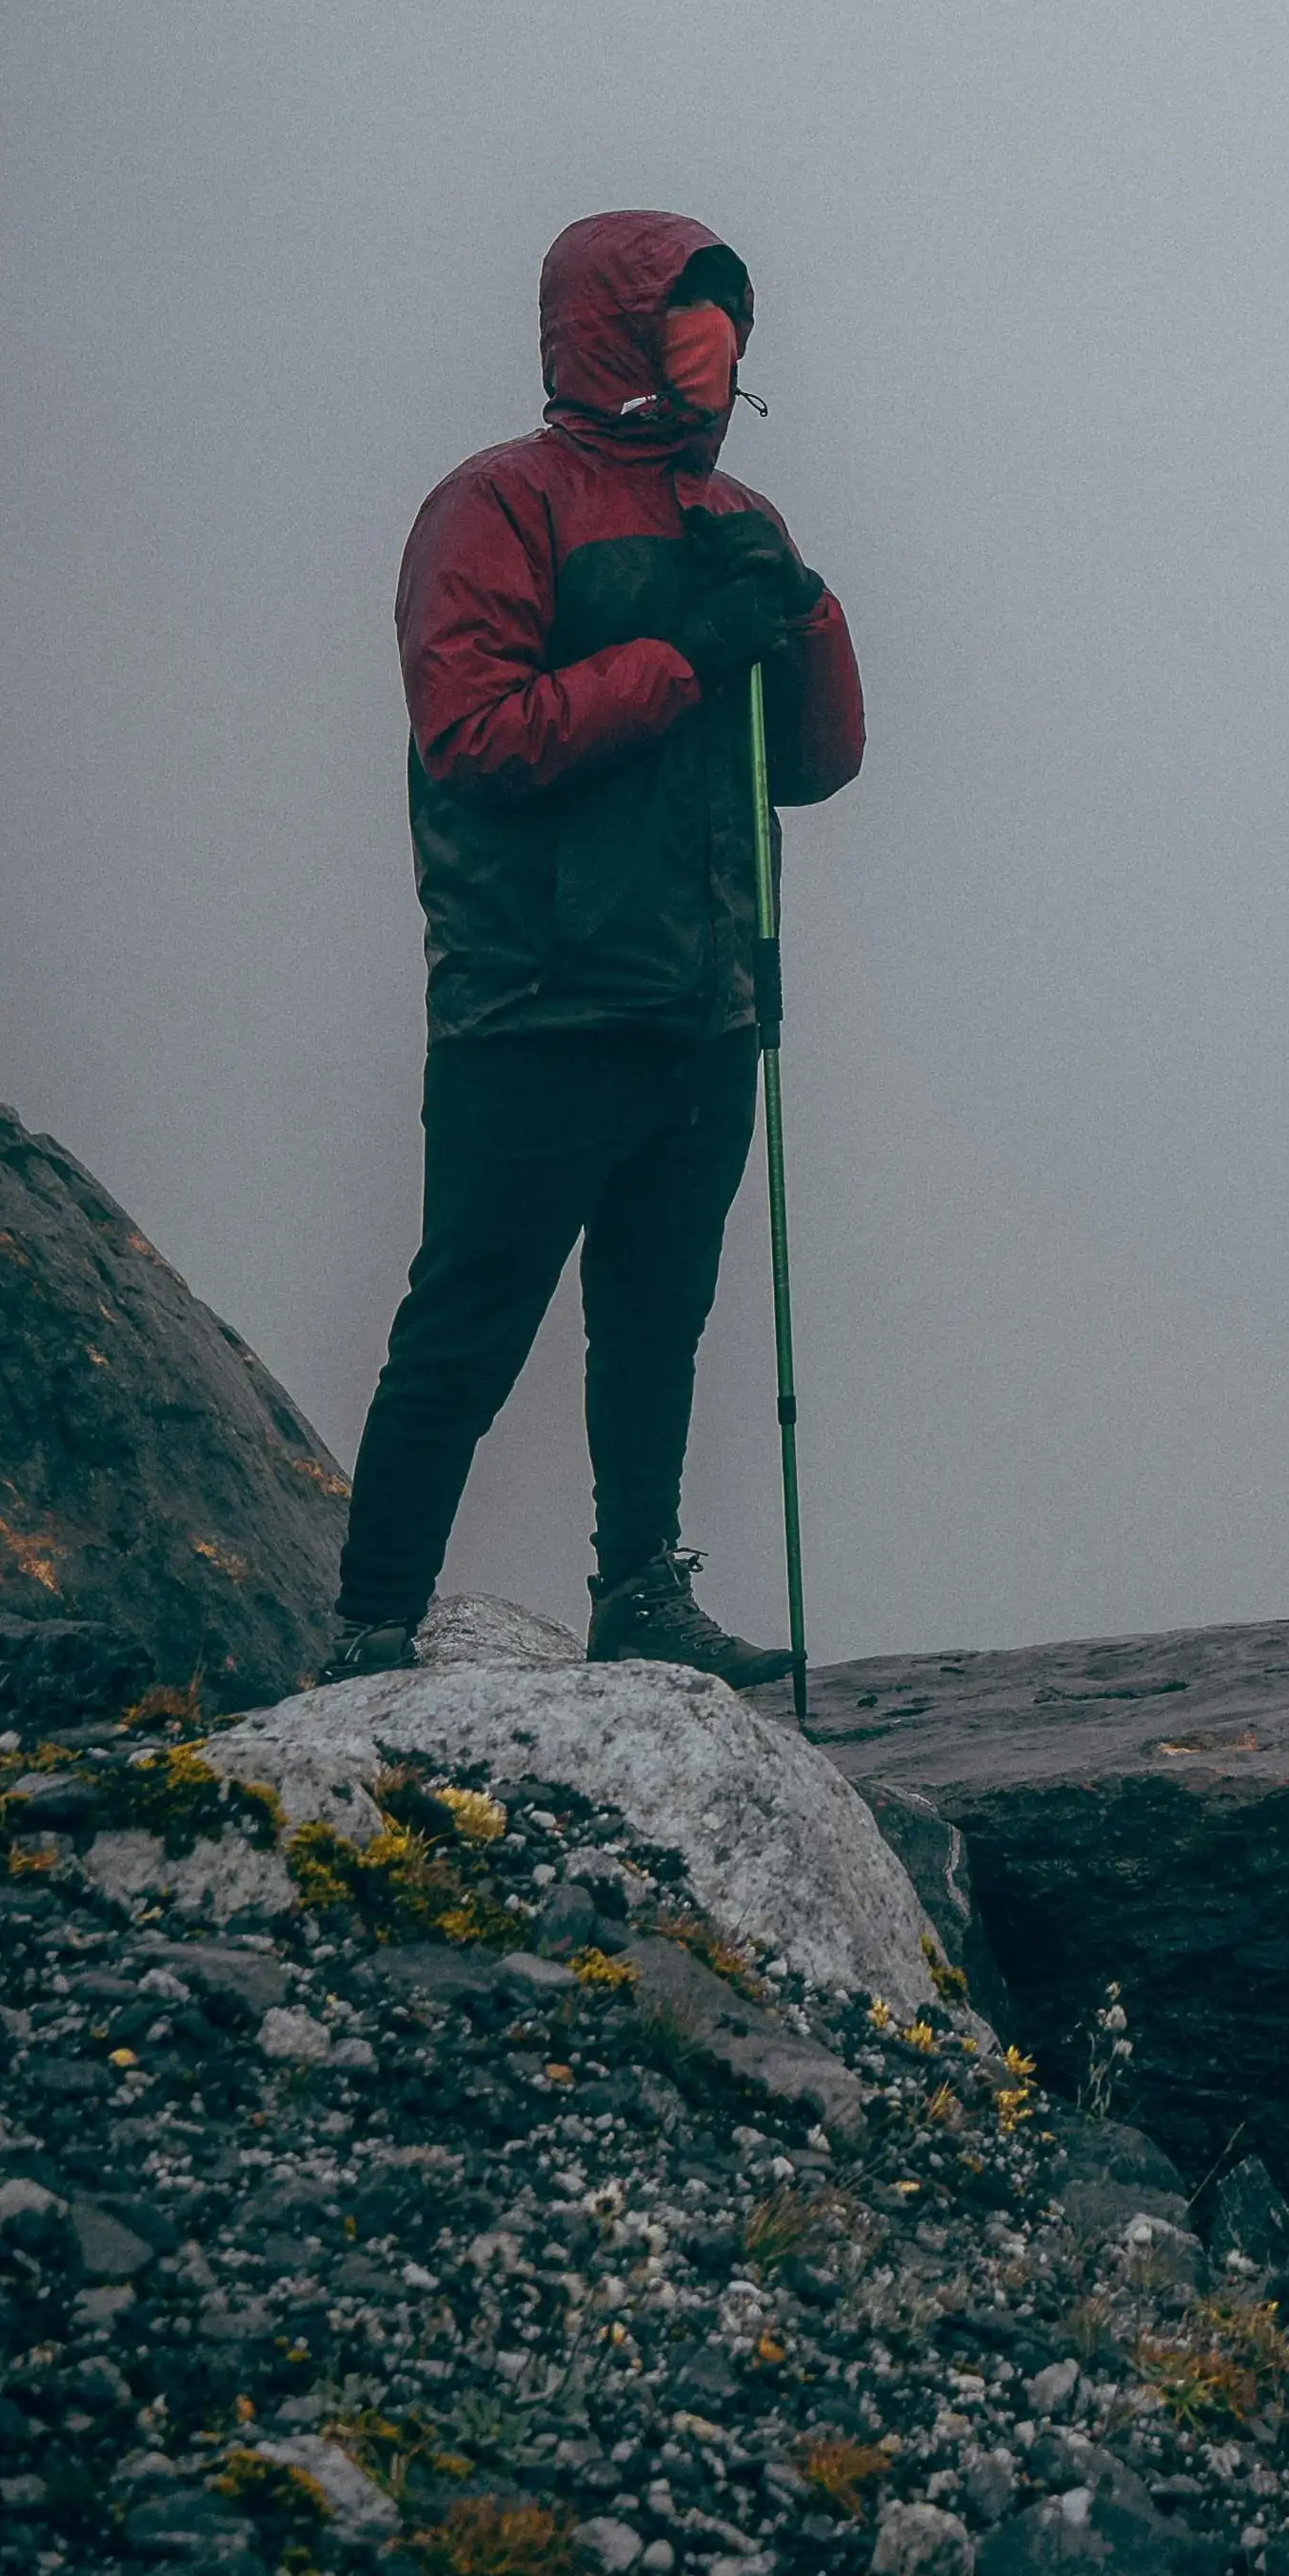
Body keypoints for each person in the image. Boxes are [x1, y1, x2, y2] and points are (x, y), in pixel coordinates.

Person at [324, 210, 864, 1686]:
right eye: (689, 311)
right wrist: (692, 652)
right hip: (539, 1001)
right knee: (466, 1324)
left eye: (725, 316)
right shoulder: (498, 506)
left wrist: (802, 616)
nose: (718, 341)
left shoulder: (732, 514)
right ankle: (372, 1627)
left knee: (657, 1320)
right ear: (613, 329)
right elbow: (477, 736)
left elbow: (816, 765)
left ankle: (641, 1587)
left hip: (703, 998)